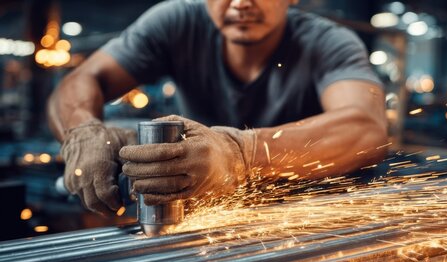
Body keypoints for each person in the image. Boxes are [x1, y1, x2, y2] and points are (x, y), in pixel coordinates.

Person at [48, 0, 387, 216]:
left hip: (304, 219)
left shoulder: (328, 42)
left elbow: (365, 128)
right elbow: (81, 81)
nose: (241, 3)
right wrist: (82, 131)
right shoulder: (175, 22)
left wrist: (239, 153)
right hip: (203, 219)